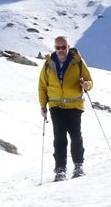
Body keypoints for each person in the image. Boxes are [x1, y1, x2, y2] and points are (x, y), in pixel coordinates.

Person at [38, 35, 92, 181]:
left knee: (75, 136)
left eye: (63, 47)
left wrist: (87, 85)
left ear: (68, 47)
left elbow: (89, 80)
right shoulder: (48, 64)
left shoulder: (77, 61)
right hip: (56, 106)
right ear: (54, 48)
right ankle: (60, 170)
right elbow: (42, 86)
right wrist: (43, 105)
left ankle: (78, 166)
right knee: (59, 138)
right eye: (58, 47)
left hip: (74, 105)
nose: (61, 50)